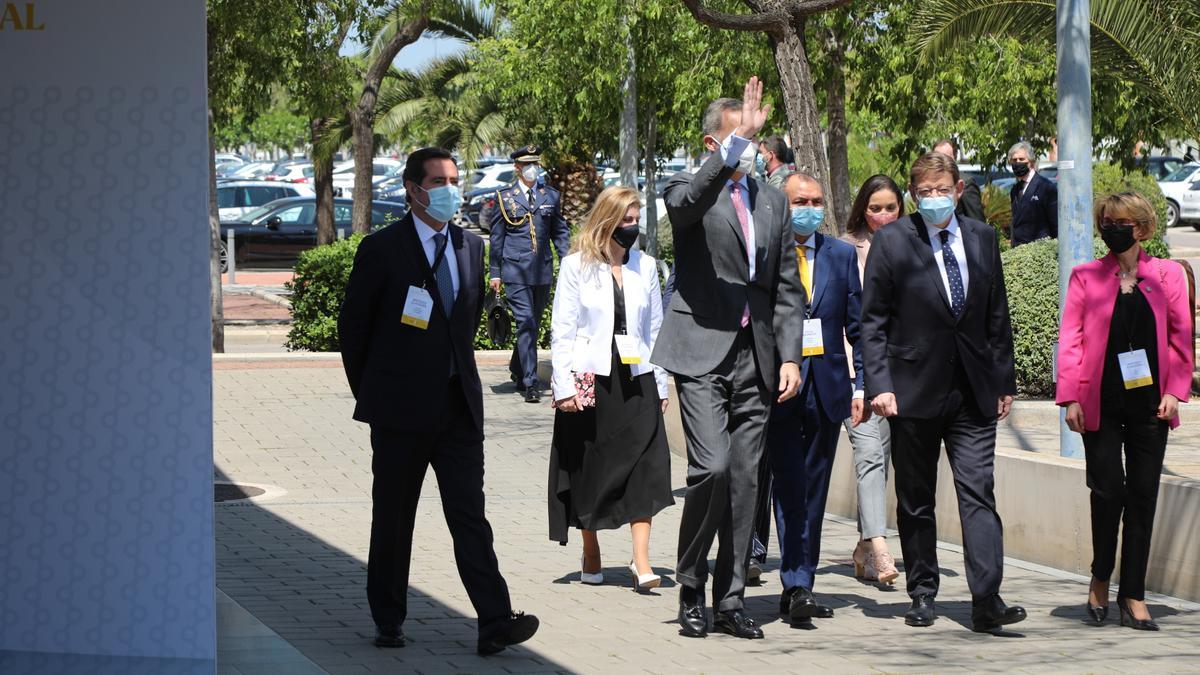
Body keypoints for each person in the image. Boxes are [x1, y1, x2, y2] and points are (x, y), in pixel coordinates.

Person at [339, 147, 539, 655]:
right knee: (393, 516)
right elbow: (354, 331)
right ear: (414, 189)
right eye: (439, 181)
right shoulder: (382, 249)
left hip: (458, 409)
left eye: (455, 179)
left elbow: (462, 326)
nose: (451, 189)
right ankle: (388, 618)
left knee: (470, 516)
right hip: (400, 412)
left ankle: (495, 619)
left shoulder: (470, 246)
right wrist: (374, 394)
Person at [651, 77, 804, 641]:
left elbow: (786, 287)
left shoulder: (772, 201)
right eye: (738, 136)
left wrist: (789, 357)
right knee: (710, 468)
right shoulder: (688, 188)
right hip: (699, 351)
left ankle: (731, 597)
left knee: (745, 479)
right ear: (715, 143)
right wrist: (737, 144)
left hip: (756, 356)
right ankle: (691, 583)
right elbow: (685, 207)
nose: (752, 146)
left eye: (754, 138)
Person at [860, 151, 1026, 633]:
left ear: (958, 190)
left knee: (978, 492)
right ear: (915, 194)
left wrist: (1004, 381)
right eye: (924, 191)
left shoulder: (981, 237)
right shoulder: (893, 241)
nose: (933, 199)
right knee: (916, 498)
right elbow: (872, 323)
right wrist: (880, 385)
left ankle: (986, 598)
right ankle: (923, 591)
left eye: (942, 190)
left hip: (973, 391)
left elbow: (997, 314)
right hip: (912, 390)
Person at [1056, 191, 1193, 631]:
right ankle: (1100, 577)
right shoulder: (1086, 277)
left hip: (1150, 405)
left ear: (1143, 228)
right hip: (1100, 402)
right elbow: (1072, 340)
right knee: (1108, 491)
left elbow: (1180, 338)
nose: (1113, 228)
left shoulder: (1169, 275)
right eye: (1107, 221)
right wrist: (1071, 396)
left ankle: (1132, 593)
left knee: (1142, 498)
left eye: (1122, 222)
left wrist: (1175, 390)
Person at [547, 186, 674, 592]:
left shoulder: (647, 266)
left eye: (637, 220)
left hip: (636, 379)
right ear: (607, 221)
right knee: (591, 469)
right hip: (591, 380)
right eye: (626, 221)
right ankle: (591, 548)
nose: (632, 228)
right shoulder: (576, 266)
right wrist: (562, 384)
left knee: (646, 467)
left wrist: (661, 381)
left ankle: (641, 561)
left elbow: (654, 328)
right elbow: (563, 329)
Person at [767, 172, 863, 624]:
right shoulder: (768, 254)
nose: (811, 207)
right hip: (780, 387)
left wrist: (862, 383)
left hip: (827, 388)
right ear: (782, 207)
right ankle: (797, 582)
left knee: (815, 491)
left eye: (817, 200)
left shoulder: (840, 255)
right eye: (801, 200)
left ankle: (802, 580)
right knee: (788, 485)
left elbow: (858, 326)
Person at [839, 175, 904, 585]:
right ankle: (880, 547)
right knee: (869, 454)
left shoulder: (913, 243)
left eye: (891, 207)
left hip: (898, 372)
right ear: (863, 208)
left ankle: (864, 544)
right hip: (851, 369)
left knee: (882, 460)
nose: (882, 215)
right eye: (875, 208)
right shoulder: (846, 249)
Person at [489, 144, 571, 403]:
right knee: (525, 322)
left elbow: (560, 232)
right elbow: (497, 237)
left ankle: (517, 367)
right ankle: (530, 382)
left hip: (542, 271)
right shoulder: (506, 197)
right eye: (527, 165)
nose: (532, 169)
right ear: (517, 168)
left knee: (532, 324)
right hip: (515, 271)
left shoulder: (550, 196)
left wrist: (568, 261)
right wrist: (495, 272)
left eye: (535, 164)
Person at [1007, 140, 1058, 246]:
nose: (1017, 163)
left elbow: (1056, 225)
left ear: (1030, 162)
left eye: (1021, 159)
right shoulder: (1015, 190)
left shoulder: (1046, 188)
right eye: (1014, 160)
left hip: (1039, 253)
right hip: (1018, 253)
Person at [932, 138, 985, 222]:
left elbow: (977, 220)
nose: (941, 161)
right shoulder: (930, 184)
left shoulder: (966, 183)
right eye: (937, 157)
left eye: (946, 157)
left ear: (954, 157)